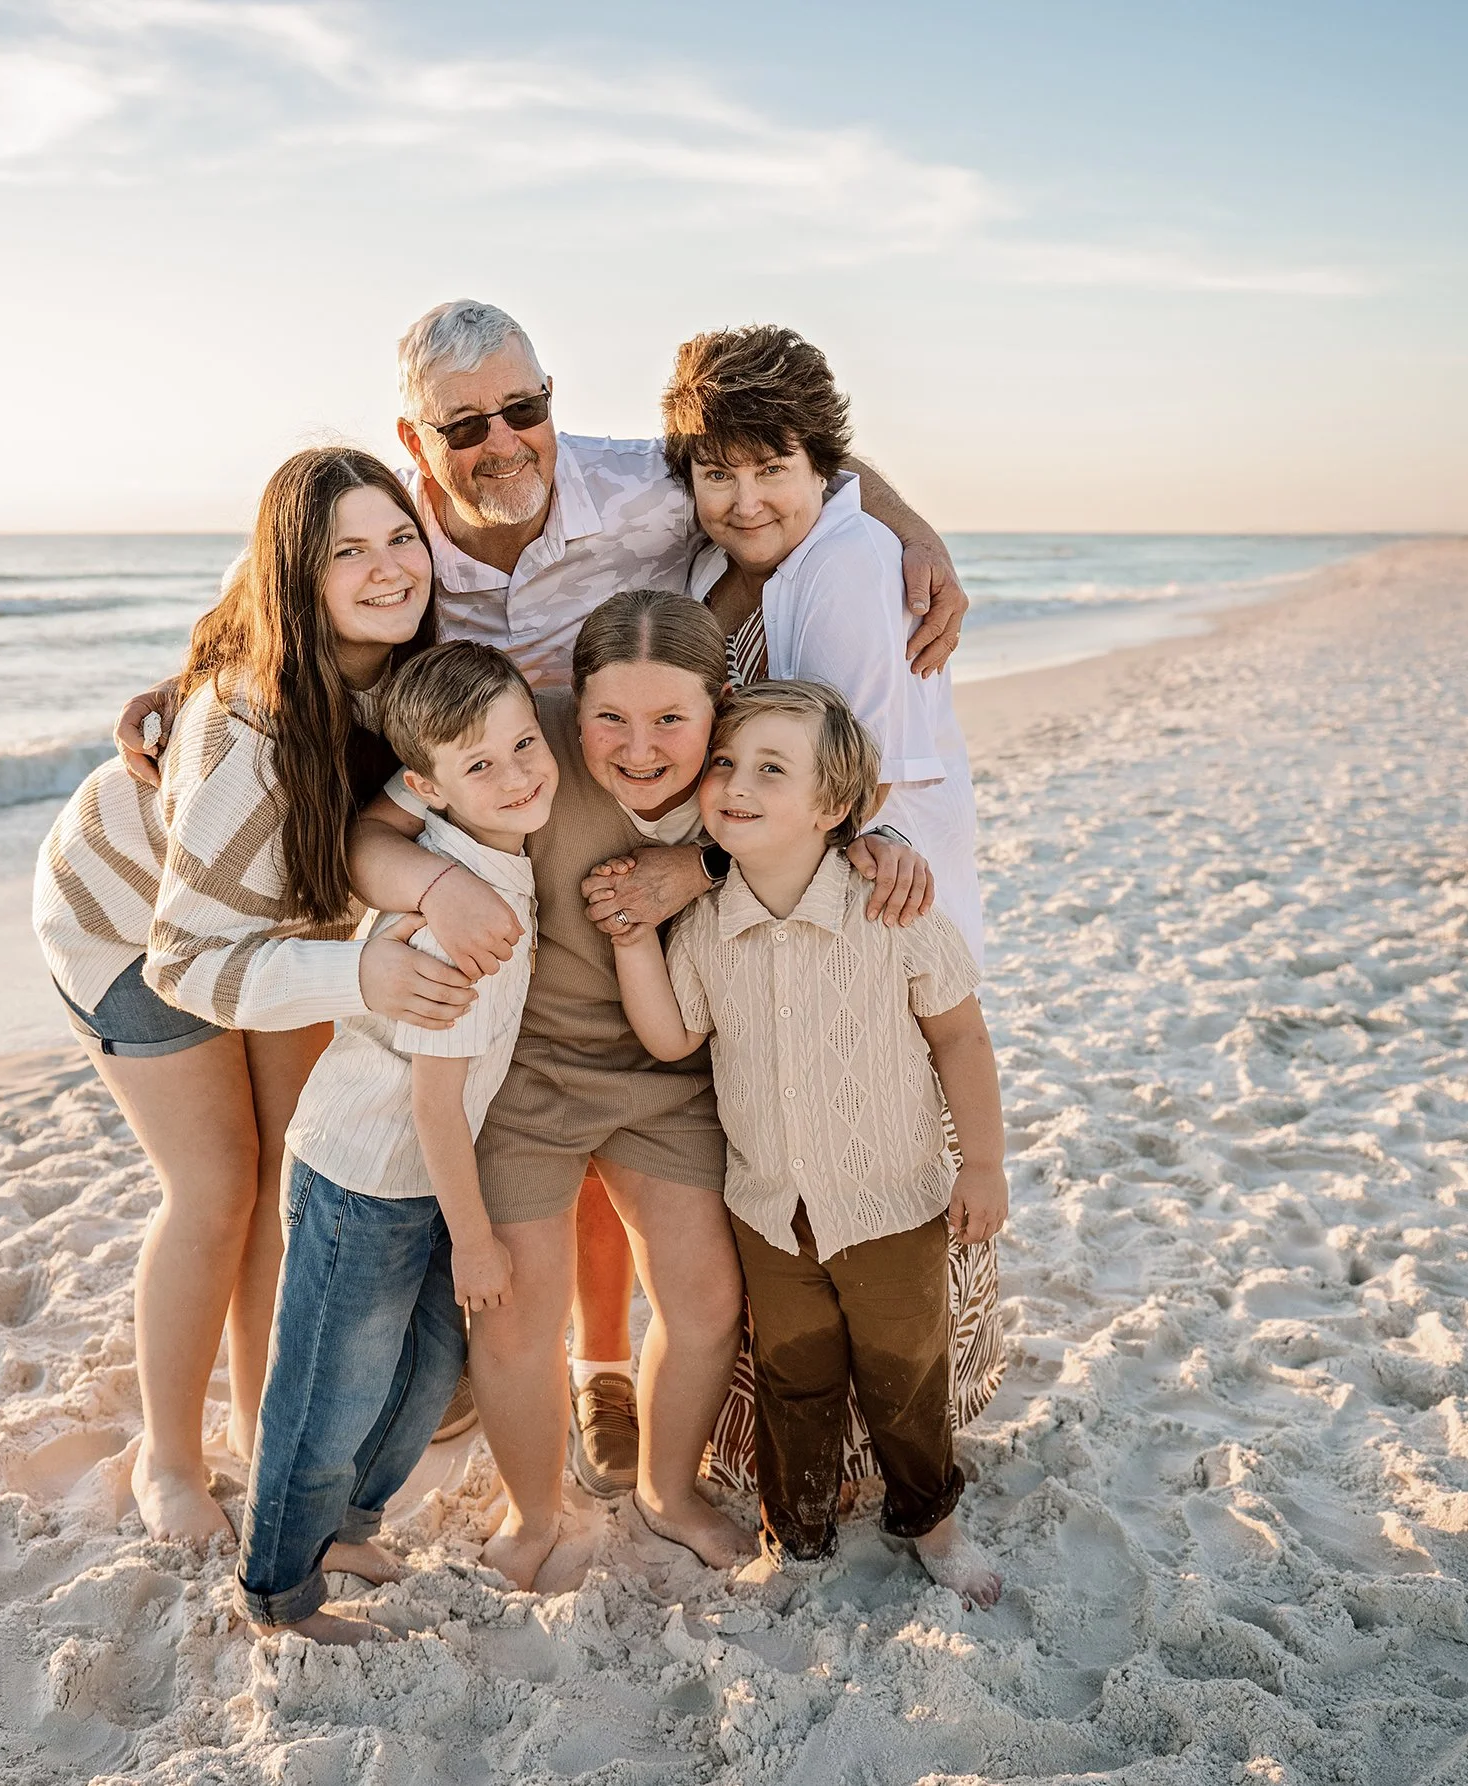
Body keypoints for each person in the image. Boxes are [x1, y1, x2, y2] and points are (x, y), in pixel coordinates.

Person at [115, 301, 965, 1498]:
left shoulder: (641, 486)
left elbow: (778, 452)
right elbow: (265, 605)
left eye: (524, 408)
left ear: (551, 397)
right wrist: (191, 677)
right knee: (240, 1177)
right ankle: (208, 1455)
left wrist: (910, 527)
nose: (502, 440)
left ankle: (578, 1373)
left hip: (443, 841)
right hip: (204, 887)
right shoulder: (387, 530)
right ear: (415, 442)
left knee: (511, 1101)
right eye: (464, 425)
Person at [349, 590, 938, 1587]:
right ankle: (532, 1512)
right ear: (567, 705)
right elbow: (368, 841)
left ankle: (668, 1491)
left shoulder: (741, 773)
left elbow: (833, 823)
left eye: (671, 719)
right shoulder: (525, 744)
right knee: (518, 1312)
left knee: (704, 1298)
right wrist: (436, 887)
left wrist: (712, 861)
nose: (638, 748)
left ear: (721, 709)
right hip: (528, 1072)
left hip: (669, 1076)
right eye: (608, 718)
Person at [31, 447, 475, 1549]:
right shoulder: (245, 732)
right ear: (301, 576)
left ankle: (255, 1423)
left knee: (290, 1171)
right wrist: (361, 974)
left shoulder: (397, 661)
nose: (388, 567)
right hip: (129, 925)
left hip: (279, 916)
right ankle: (170, 1460)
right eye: (349, 552)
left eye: (400, 538)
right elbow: (188, 961)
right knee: (218, 1183)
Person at [609, 679, 1006, 1605]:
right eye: (725, 763)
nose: (735, 784)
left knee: (906, 1376)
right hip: (771, 1214)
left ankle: (933, 1522)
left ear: (833, 808)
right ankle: (797, 1536)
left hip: (892, 1204)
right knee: (795, 1382)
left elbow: (961, 1038)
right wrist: (632, 939)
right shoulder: (704, 928)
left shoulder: (893, 911)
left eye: (770, 770)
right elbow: (670, 1036)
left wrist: (983, 1164)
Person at [243, 641, 554, 1644]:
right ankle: (278, 1592)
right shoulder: (457, 911)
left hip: (420, 1178)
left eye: (524, 743)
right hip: (362, 1176)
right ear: (425, 788)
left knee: (425, 1367)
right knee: (327, 1391)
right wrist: (478, 1240)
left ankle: (343, 1528)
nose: (517, 775)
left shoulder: (494, 855)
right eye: (481, 765)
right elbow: (432, 1103)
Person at [660, 323, 983, 960]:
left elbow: (854, 789)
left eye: (772, 470)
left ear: (820, 470)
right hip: (772, 890)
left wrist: (696, 869)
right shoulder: (709, 565)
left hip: (879, 899)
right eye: (719, 474)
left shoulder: (850, 567)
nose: (746, 504)